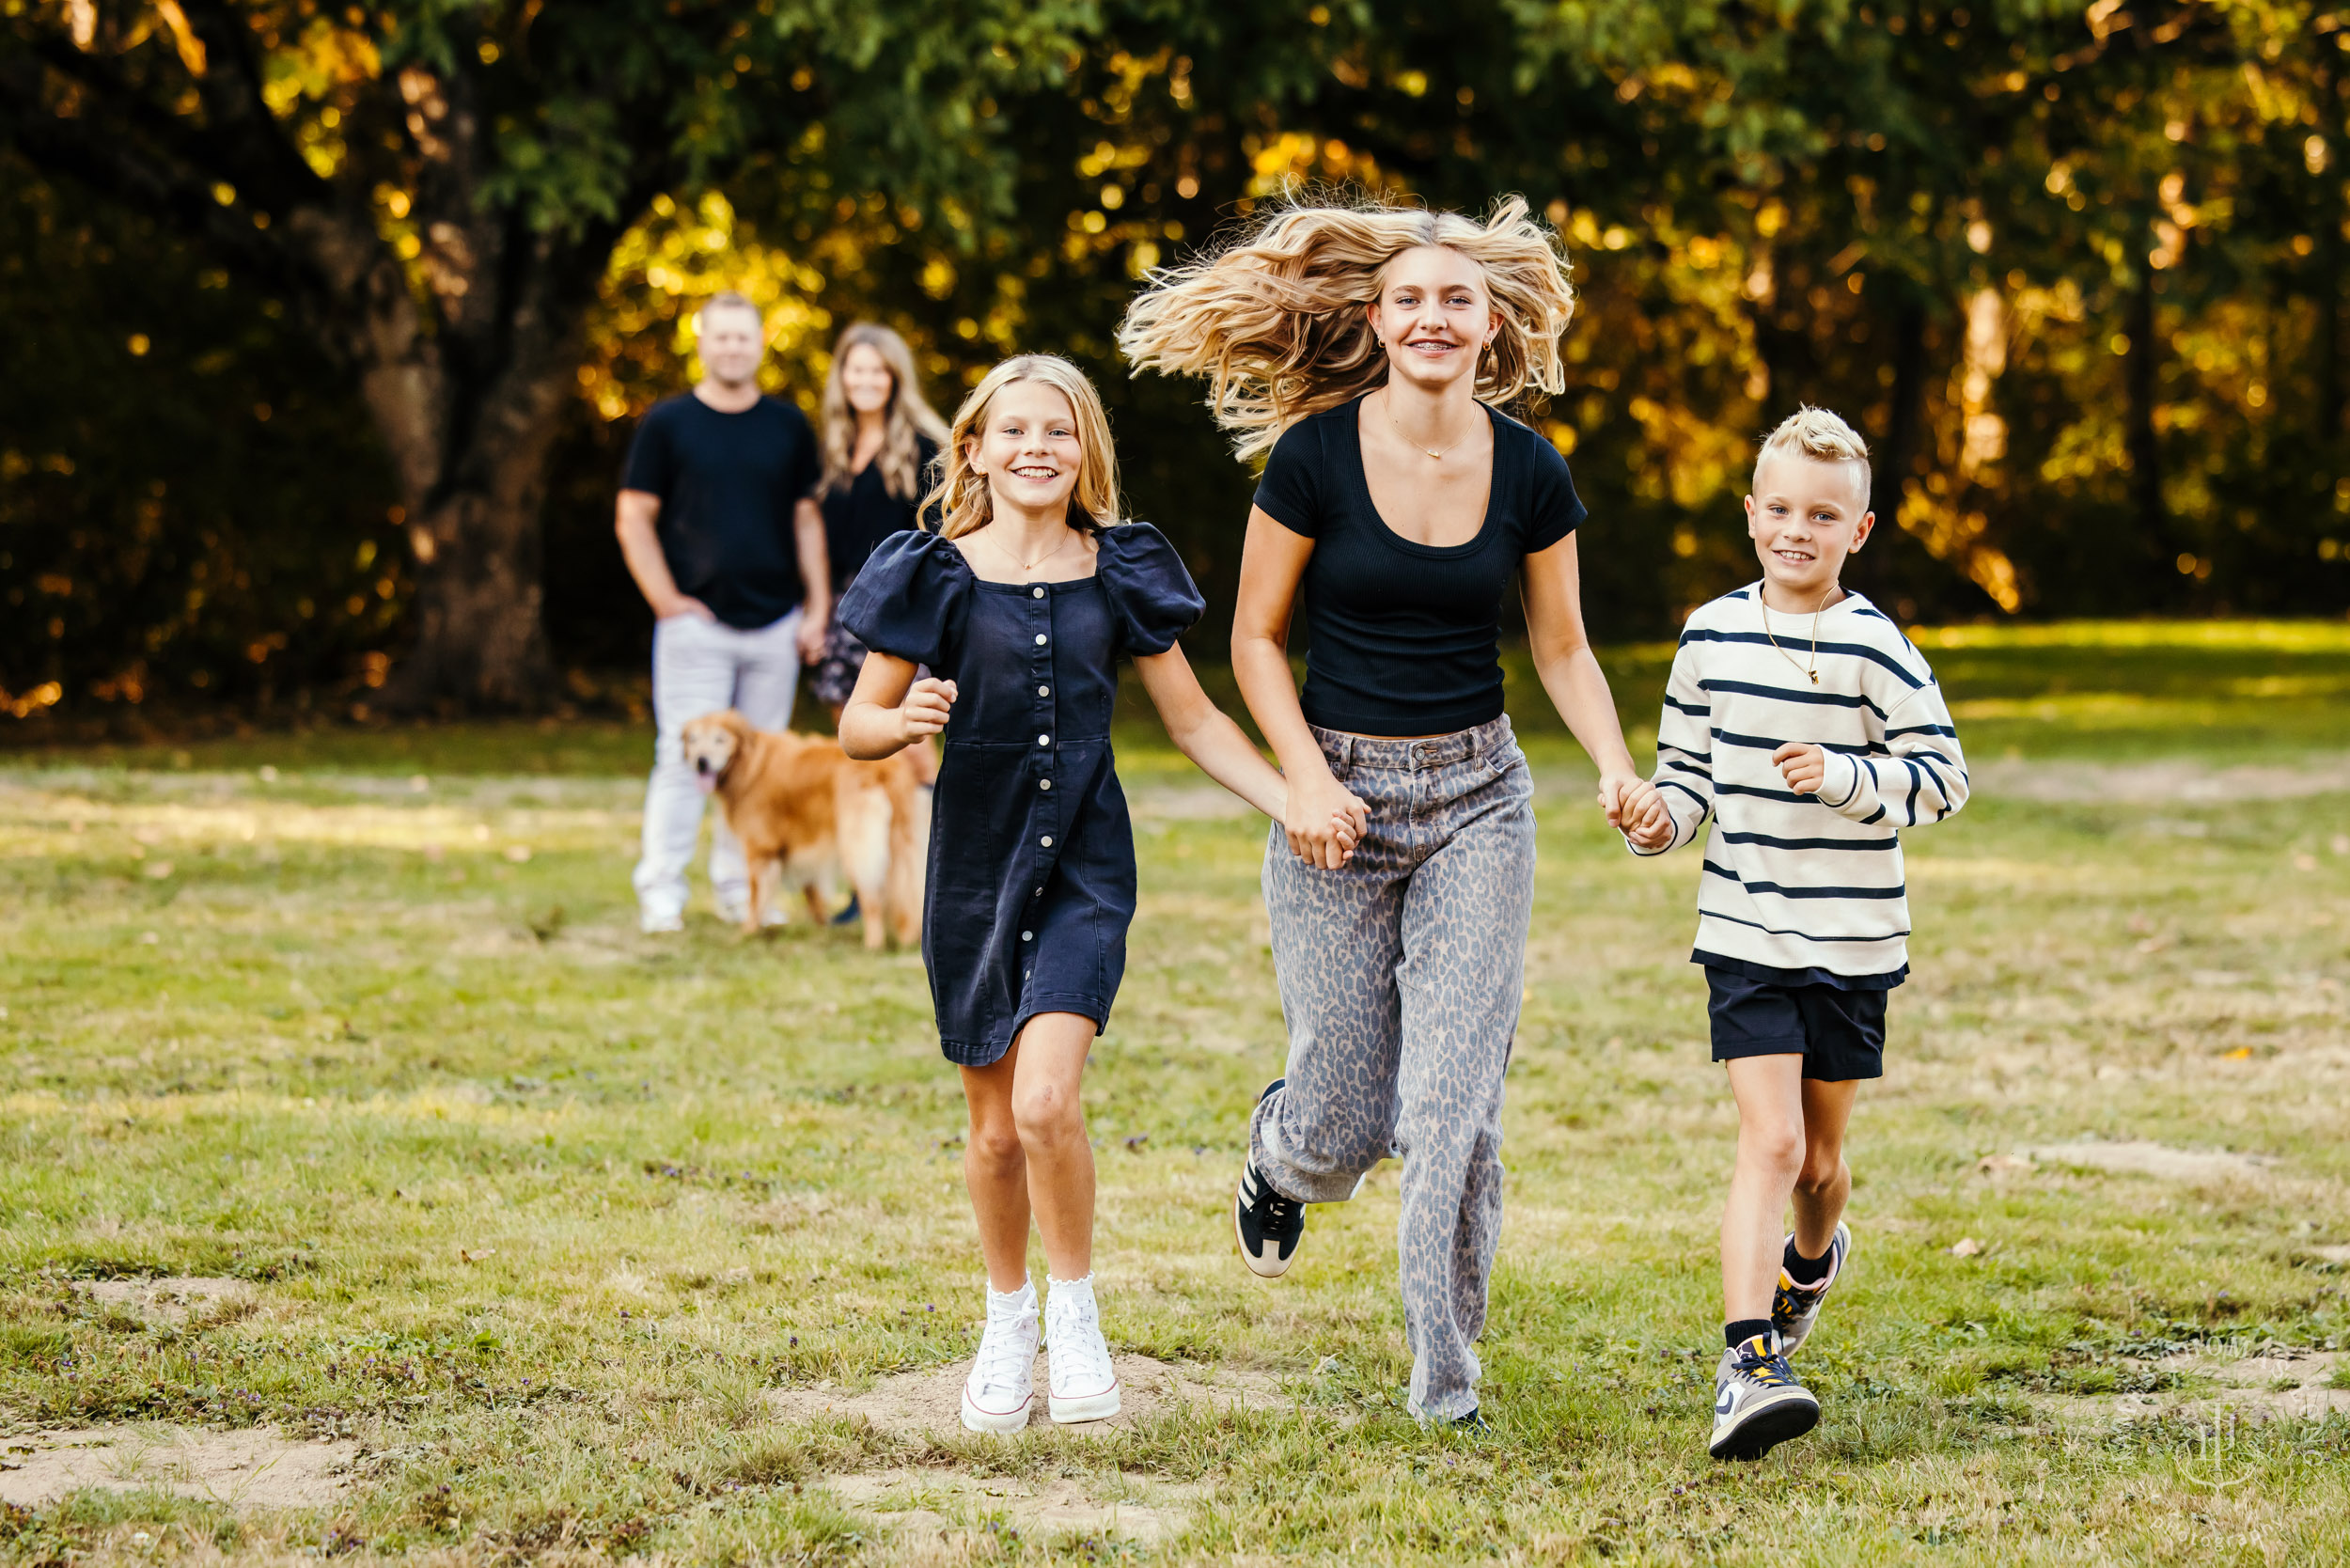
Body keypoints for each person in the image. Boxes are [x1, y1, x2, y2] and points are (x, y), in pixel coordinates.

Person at [1119, 194, 1655, 1429]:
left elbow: (1563, 650)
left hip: (1479, 801)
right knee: (1347, 1118)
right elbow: (1255, 641)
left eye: (1455, 299)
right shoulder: (1312, 457)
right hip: (1338, 803)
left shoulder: (1531, 470)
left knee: (1450, 1105)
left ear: (1490, 325)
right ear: (1377, 319)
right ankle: (1278, 1162)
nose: (1431, 316)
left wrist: (1616, 767)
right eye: (1409, 298)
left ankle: (1444, 1377)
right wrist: (1303, 781)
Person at [835, 354, 1358, 1435]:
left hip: (1083, 865)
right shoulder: (929, 573)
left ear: (1086, 454)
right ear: (973, 448)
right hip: (973, 873)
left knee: (1045, 1105)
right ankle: (1004, 1320)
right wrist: (905, 721)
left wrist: (1291, 799)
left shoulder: (1120, 568)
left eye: (1060, 432)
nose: (1038, 448)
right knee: (990, 1135)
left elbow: (1197, 721)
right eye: (1015, 431)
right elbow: (855, 725)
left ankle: (1075, 1319)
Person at [1618, 407, 1969, 1462]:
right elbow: (1685, 779)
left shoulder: (1877, 646)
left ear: (1856, 532)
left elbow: (1945, 778)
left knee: (1819, 1165)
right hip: (1745, 924)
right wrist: (1656, 819)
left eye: (1822, 515)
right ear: (1750, 515)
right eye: (1778, 509)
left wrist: (1849, 777)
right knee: (1767, 1143)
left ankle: (1811, 1262)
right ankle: (1747, 1363)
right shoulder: (1708, 634)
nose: (1796, 530)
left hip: (1853, 938)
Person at [616, 290, 830, 933]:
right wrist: (665, 601)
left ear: (760, 344)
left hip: (774, 623)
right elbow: (634, 517)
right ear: (702, 342)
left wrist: (817, 606)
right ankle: (662, 898)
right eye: (721, 336)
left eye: (744, 337)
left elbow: (806, 518)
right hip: (696, 628)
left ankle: (745, 894)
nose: (732, 347)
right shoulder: (668, 423)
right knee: (683, 761)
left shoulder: (788, 425)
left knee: (762, 772)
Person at [808, 321, 949, 725]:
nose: (866, 380)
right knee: (853, 732)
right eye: (857, 369)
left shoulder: (924, 447)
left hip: (898, 604)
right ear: (842, 376)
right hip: (843, 603)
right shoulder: (834, 448)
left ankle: (923, 791)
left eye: (878, 370)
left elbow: (940, 540)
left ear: (895, 378)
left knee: (905, 732)